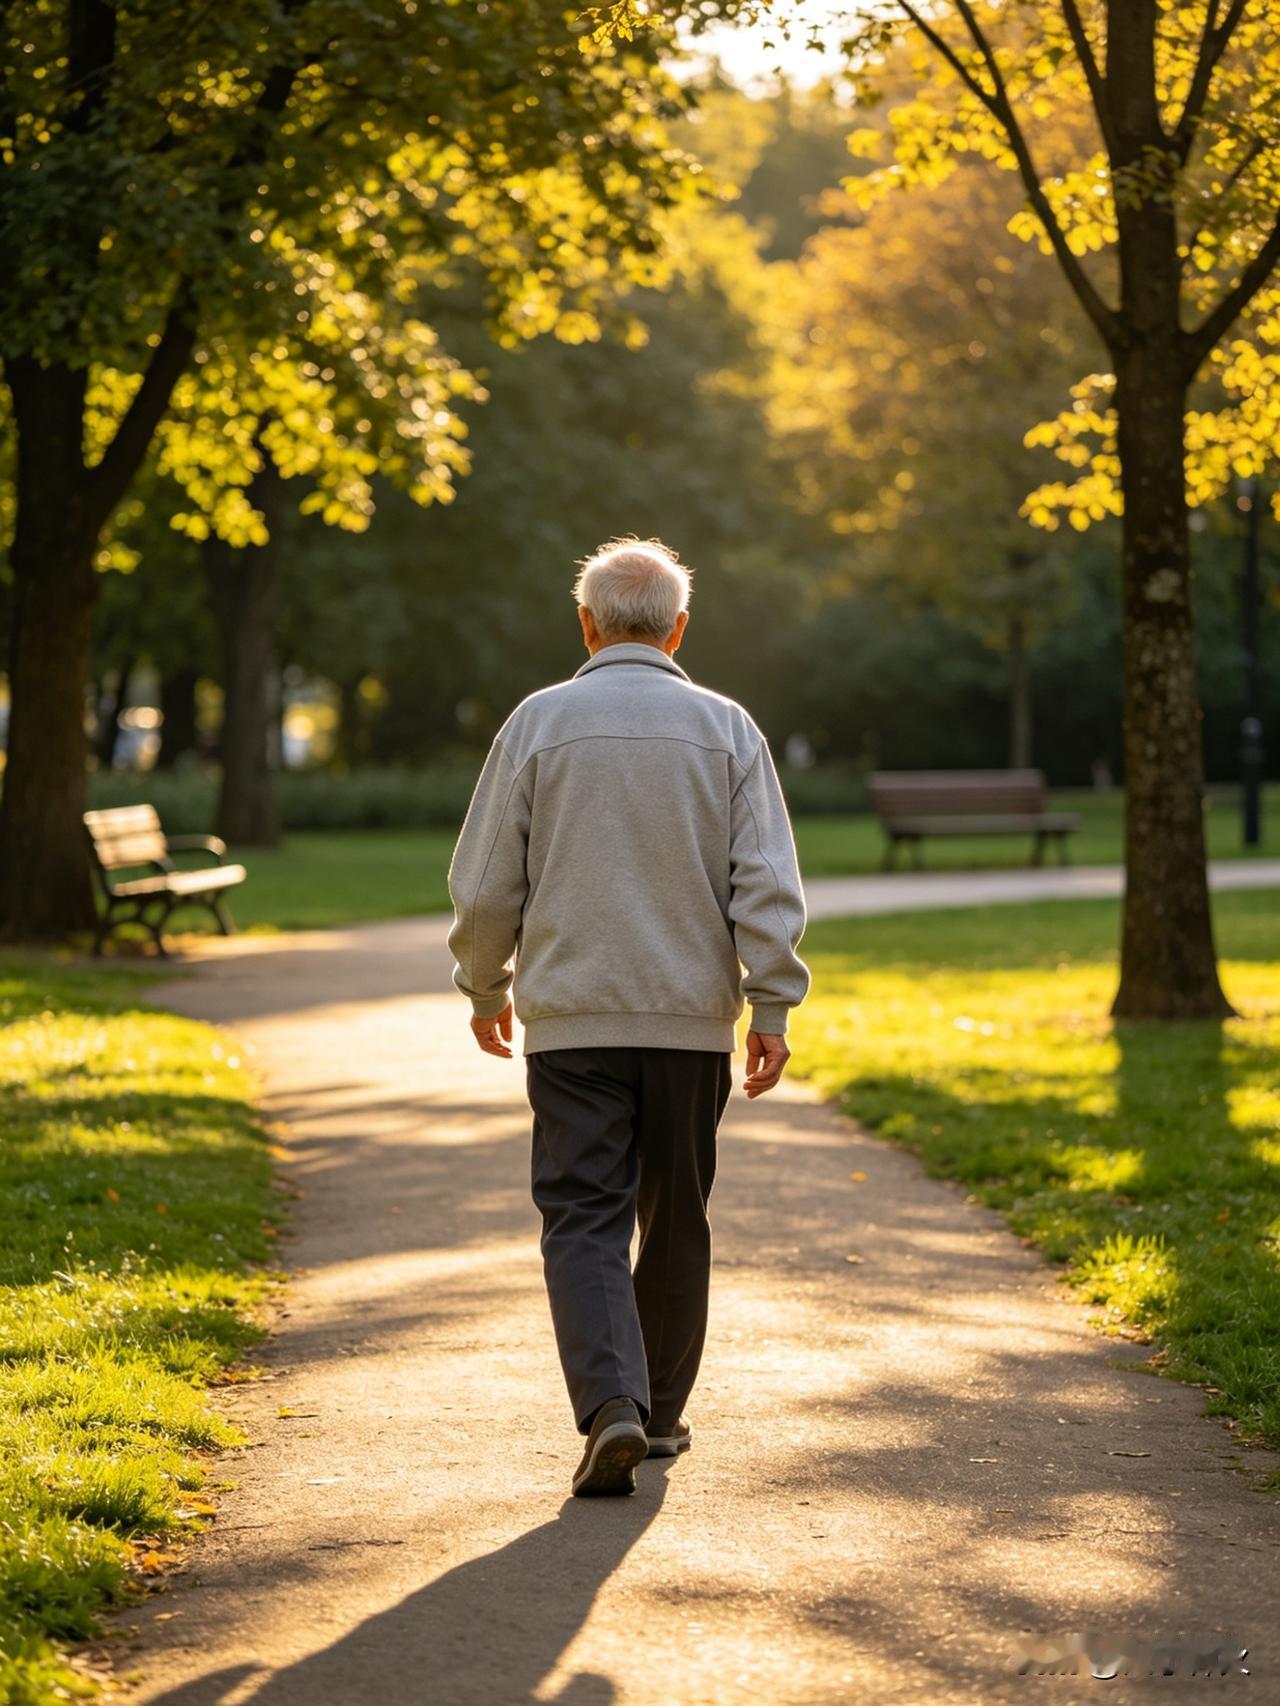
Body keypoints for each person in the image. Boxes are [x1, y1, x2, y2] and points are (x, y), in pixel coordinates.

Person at [446, 537, 811, 1496]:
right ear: (679, 628)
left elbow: (485, 886)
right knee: (676, 1212)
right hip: (689, 1023)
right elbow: (765, 881)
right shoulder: (727, 729)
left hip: (573, 1022)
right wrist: (771, 1000)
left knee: (583, 1213)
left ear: (587, 623)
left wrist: (486, 988)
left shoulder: (539, 722)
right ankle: (661, 1415)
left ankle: (613, 1402)